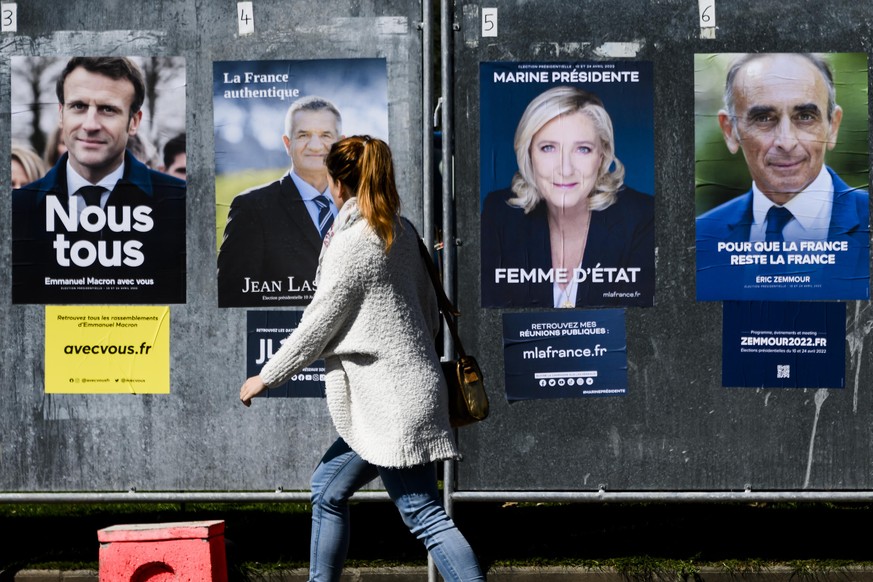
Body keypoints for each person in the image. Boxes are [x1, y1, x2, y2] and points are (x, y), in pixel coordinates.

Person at [238, 136, 485, 582]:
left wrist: (266, 377)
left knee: (423, 513)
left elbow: (319, 324)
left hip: (390, 404)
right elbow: (429, 314)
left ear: (336, 184)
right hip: (399, 394)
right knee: (327, 489)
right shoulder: (401, 230)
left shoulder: (356, 243)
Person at [11, 56, 186, 304]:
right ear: (61, 115)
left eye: (108, 109)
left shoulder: (182, 205)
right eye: (79, 106)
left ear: (133, 122)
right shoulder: (15, 211)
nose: (90, 125)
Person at [696, 53, 869, 300]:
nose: (786, 142)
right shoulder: (699, 240)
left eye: (805, 117)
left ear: (833, 126)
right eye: (764, 118)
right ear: (729, 131)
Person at [481, 85, 654, 308]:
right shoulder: (500, 214)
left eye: (582, 149)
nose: (565, 169)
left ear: (602, 156)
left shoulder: (643, 219)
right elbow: (490, 327)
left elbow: (641, 329)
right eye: (548, 148)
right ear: (528, 153)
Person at [217, 96, 343, 307]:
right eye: (303, 135)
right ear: (287, 143)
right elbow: (232, 300)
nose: (315, 145)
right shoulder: (251, 208)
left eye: (325, 135)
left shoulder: (363, 207)